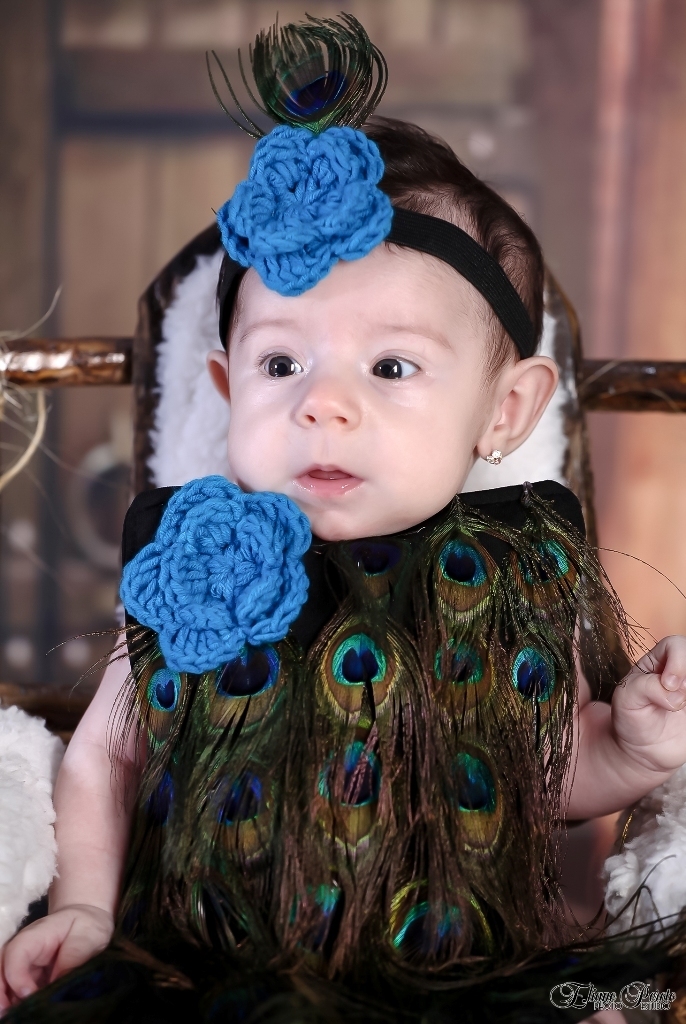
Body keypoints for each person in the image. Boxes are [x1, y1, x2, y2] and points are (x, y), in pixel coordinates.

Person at [2, 15, 685, 1023]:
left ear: (504, 412)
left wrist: (628, 749)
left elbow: (543, 774)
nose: (323, 404)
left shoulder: (501, 577)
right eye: (282, 363)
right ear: (228, 386)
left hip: (454, 975)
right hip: (193, 965)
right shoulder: (194, 560)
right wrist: (85, 906)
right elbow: (107, 752)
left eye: (391, 366)